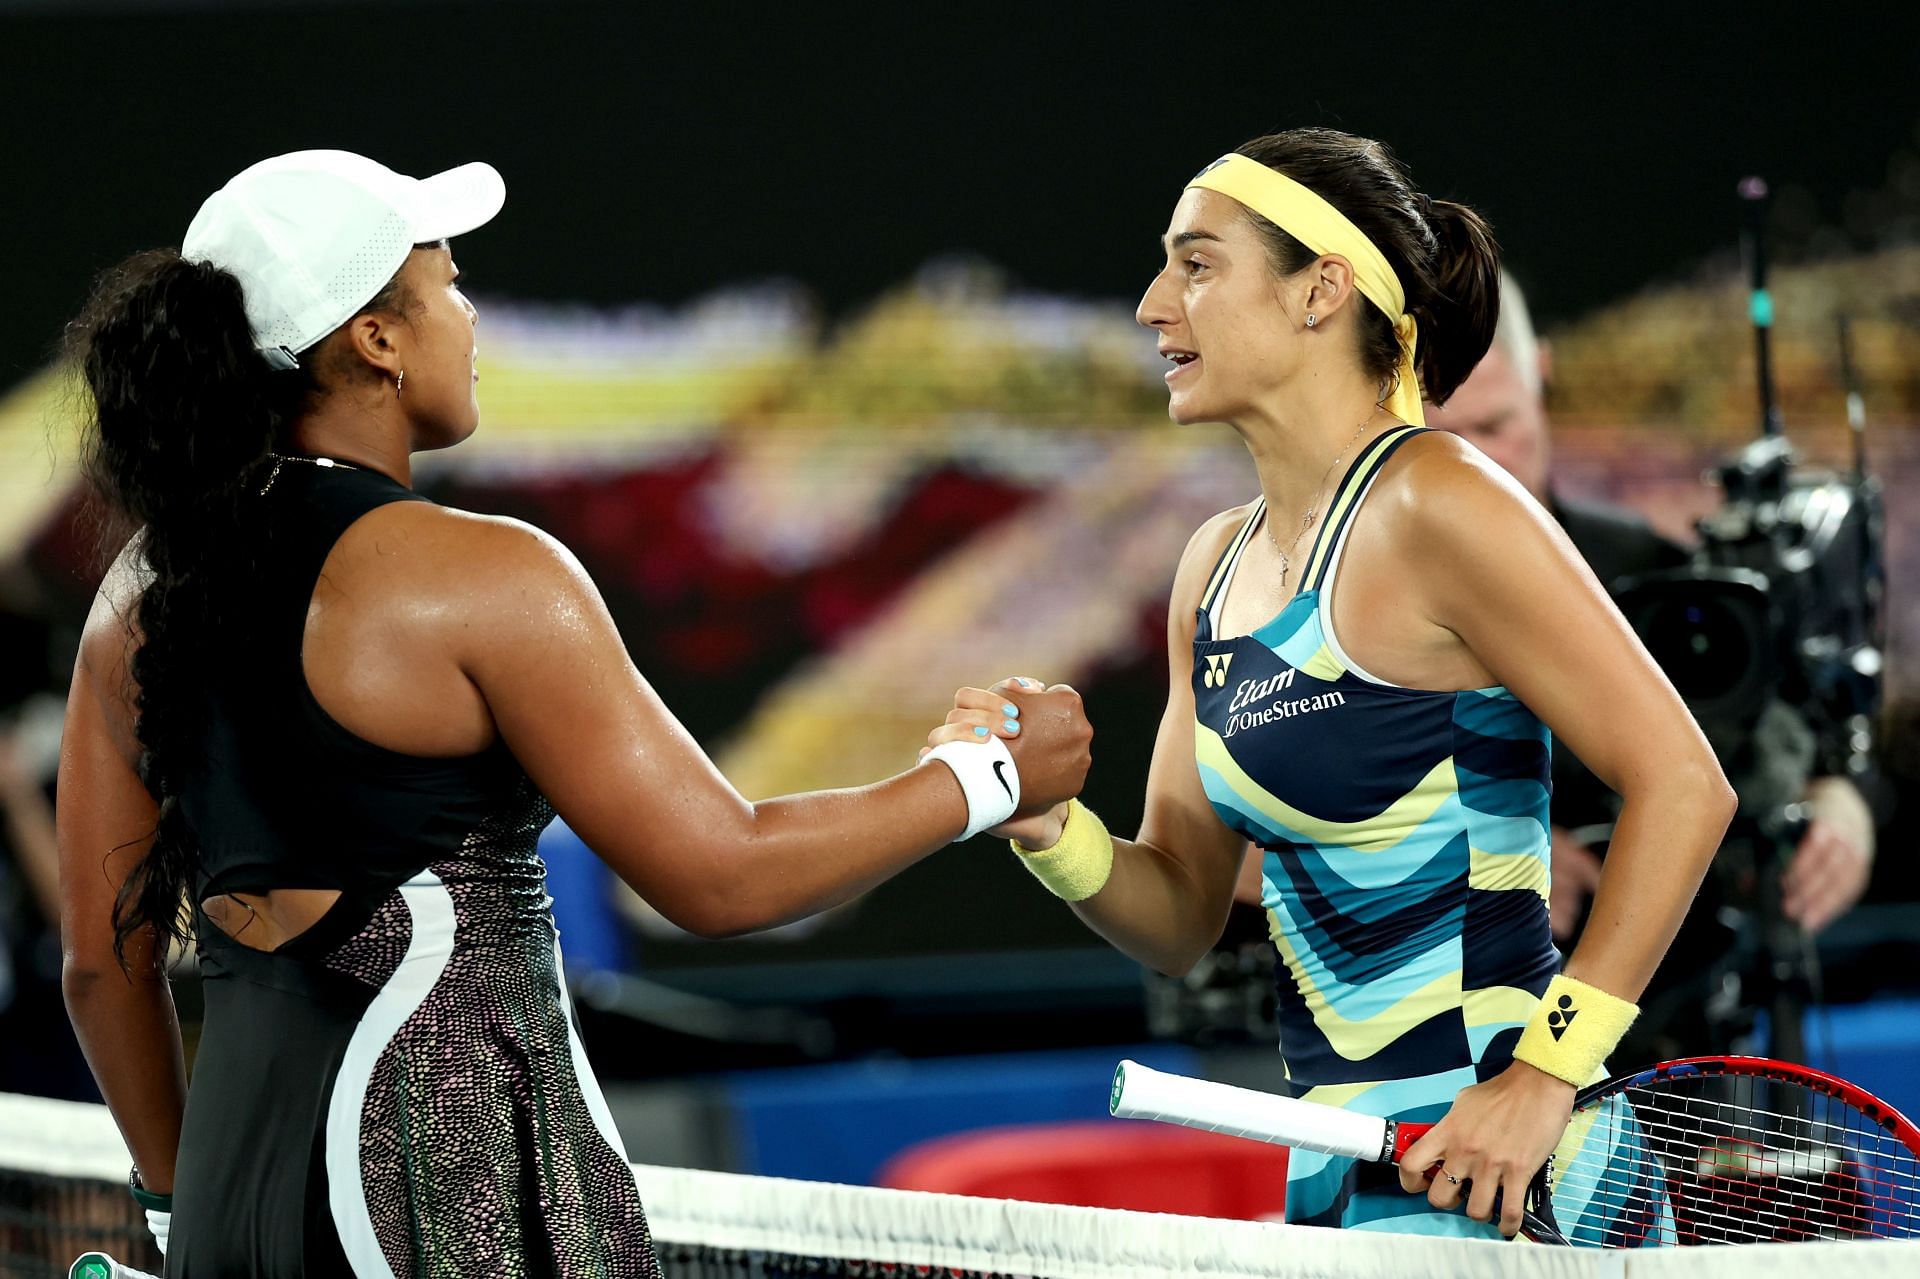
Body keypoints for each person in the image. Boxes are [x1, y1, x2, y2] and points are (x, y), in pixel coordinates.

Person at [57, 150, 1090, 1278]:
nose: (471, 315)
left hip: (224, 1204)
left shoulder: (135, 596)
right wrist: (986, 778)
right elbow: (721, 873)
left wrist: (173, 1201)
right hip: (443, 1205)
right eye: (448, 282)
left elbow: (103, 964)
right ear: (377, 338)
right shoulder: (483, 574)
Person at [933, 129, 1733, 1238]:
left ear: (1322, 290)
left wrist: (1547, 1076)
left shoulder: (1440, 501)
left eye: (1198, 263)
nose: (1154, 303)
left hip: (1504, 1174)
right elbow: (1176, 911)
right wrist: (1045, 825)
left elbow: (1686, 786)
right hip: (1343, 1173)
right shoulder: (1213, 569)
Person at [1429, 275, 1878, 952]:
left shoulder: (1658, 575)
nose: (1479, 466)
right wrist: (1463, 847)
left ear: (1541, 374)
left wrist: (1846, 804)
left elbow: (1800, 720)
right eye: (1440, 441)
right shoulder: (1327, 602)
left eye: (1495, 427)